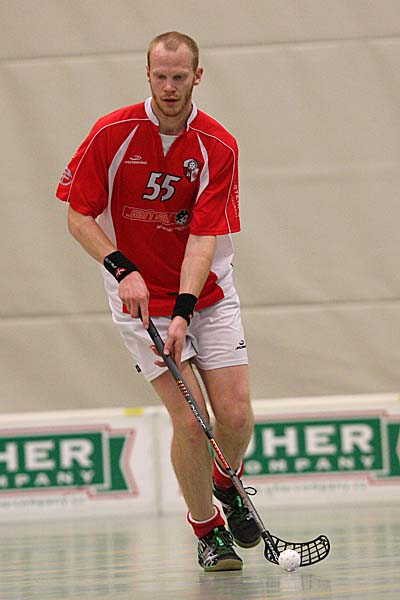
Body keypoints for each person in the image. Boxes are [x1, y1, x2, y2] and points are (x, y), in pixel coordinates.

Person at [56, 31, 259, 571]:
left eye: (180, 77)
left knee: (235, 417)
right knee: (191, 423)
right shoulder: (113, 133)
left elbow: (202, 238)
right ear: (147, 74)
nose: (169, 87)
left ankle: (225, 480)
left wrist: (185, 310)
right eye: (161, 76)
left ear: (198, 76)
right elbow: (78, 215)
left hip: (207, 294)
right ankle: (207, 531)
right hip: (140, 299)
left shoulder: (218, 145)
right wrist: (121, 268)